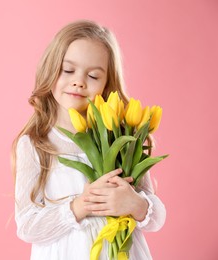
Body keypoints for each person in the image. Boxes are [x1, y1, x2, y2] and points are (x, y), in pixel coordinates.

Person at [11, 20, 166, 259]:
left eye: (93, 76)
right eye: (68, 70)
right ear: (51, 69)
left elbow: (157, 219)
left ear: (106, 85)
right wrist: (80, 206)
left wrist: (135, 203)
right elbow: (27, 226)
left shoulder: (124, 138)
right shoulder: (36, 144)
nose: (79, 81)